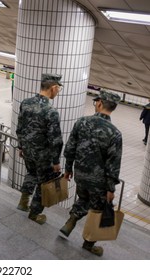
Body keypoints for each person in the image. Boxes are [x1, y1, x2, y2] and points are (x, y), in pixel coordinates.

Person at [59, 89, 122, 257]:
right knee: (97, 209)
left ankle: (70, 223)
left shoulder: (82, 122)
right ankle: (88, 243)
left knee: (83, 198)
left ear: (100, 103)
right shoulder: (115, 134)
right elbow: (113, 164)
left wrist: (67, 170)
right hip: (98, 181)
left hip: (80, 175)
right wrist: (111, 189)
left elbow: (70, 148)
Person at [16, 73, 64, 225]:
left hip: (28, 150)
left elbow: (20, 128)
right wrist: (56, 161)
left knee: (31, 173)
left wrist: (21, 146)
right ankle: (34, 214)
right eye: (59, 89)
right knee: (44, 183)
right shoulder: (51, 111)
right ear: (53, 88)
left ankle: (23, 202)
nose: (58, 92)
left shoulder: (26, 103)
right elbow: (55, 139)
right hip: (44, 155)